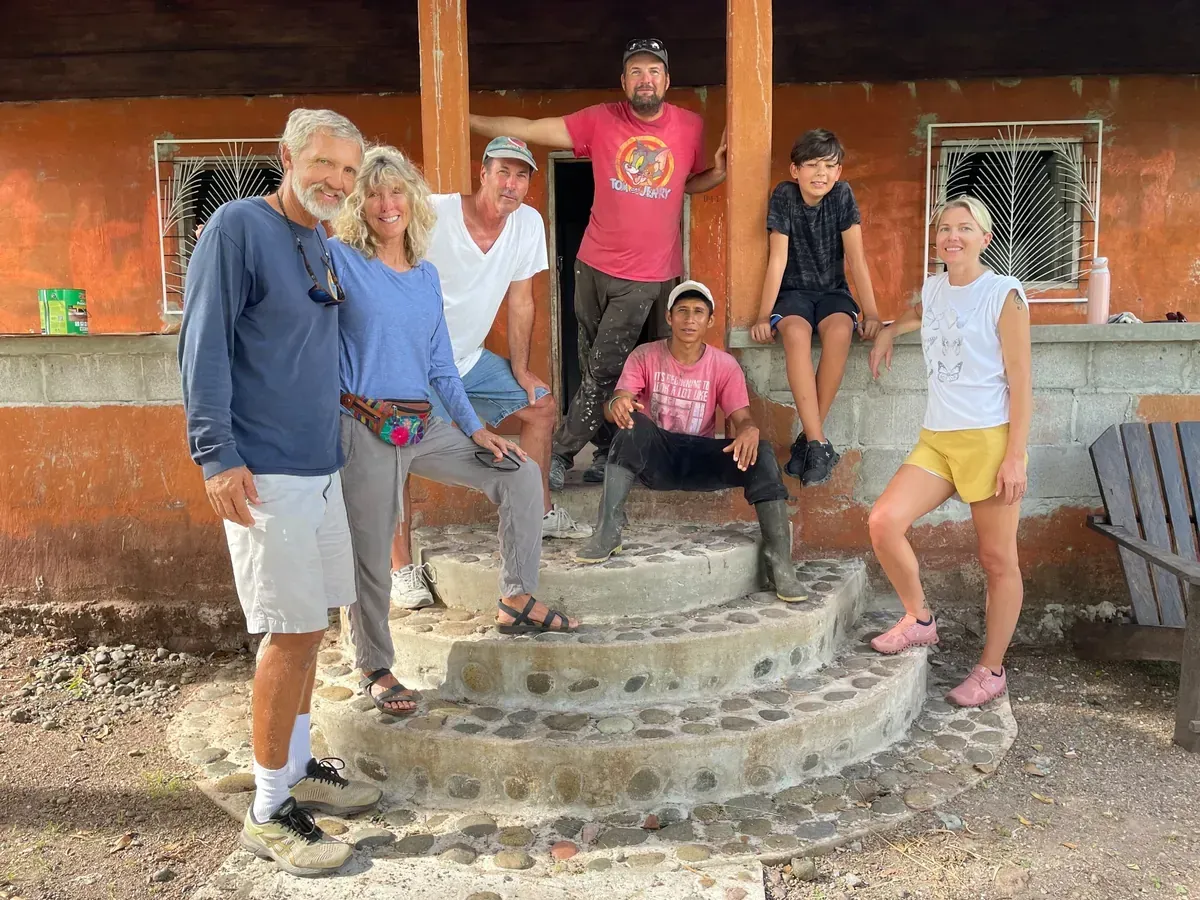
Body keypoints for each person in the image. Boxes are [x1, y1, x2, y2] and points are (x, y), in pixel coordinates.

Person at [179, 108, 378, 876]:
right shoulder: (237, 228)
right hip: (264, 473)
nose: (337, 180)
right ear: (288, 158)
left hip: (319, 466)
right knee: (286, 635)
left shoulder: (318, 240)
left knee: (310, 627)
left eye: (348, 170)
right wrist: (216, 456)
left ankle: (295, 770)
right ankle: (268, 809)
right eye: (324, 163)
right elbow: (202, 345)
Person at [331, 145, 581, 715]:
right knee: (369, 545)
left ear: (412, 202)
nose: (387, 204)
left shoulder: (425, 277)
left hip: (419, 424)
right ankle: (374, 664)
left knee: (519, 472)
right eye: (374, 194)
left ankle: (516, 598)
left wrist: (474, 429)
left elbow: (442, 366)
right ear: (358, 204)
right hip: (363, 426)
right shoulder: (341, 261)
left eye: (397, 192)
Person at [470, 37, 728, 490]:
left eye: (653, 71)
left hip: (646, 274)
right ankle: (608, 451)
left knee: (602, 370)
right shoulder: (601, 119)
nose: (645, 79)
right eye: (636, 71)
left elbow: (683, 184)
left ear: (667, 80)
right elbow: (531, 128)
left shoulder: (689, 126)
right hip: (590, 265)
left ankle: (560, 452)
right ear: (623, 80)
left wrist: (719, 174)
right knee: (594, 365)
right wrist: (467, 118)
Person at [387, 136, 592, 611]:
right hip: (413, 366)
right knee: (396, 445)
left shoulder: (527, 224)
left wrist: (520, 369)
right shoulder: (433, 212)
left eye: (521, 176)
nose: (511, 184)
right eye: (503, 171)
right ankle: (400, 567)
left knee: (541, 405)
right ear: (483, 173)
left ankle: (540, 511)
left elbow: (522, 300)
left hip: (468, 360)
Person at [865, 195, 1031, 708]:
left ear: (985, 237)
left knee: (997, 559)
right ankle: (920, 618)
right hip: (936, 438)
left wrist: (1016, 456)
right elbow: (923, 313)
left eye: (964, 228)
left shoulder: (1004, 294)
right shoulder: (935, 287)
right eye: (944, 228)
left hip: (988, 440)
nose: (952, 236)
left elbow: (1022, 381)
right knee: (883, 521)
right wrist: (890, 330)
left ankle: (991, 669)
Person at [574, 280, 806, 602]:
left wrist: (749, 429)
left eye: (698, 312)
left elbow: (742, 418)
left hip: (701, 457)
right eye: (682, 311)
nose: (689, 319)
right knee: (631, 426)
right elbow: (619, 401)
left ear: (710, 321)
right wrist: (619, 405)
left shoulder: (724, 365)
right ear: (669, 317)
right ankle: (608, 532)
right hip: (657, 456)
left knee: (762, 451)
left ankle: (780, 562)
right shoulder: (645, 355)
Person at [750, 129, 883, 486]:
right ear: (795, 170)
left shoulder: (842, 195)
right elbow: (777, 258)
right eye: (812, 164)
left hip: (832, 292)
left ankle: (810, 440)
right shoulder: (784, 195)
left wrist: (871, 312)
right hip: (793, 292)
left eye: (829, 165)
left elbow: (856, 257)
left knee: (840, 331)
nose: (821, 173)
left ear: (839, 172)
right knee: (795, 333)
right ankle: (819, 443)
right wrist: (763, 314)